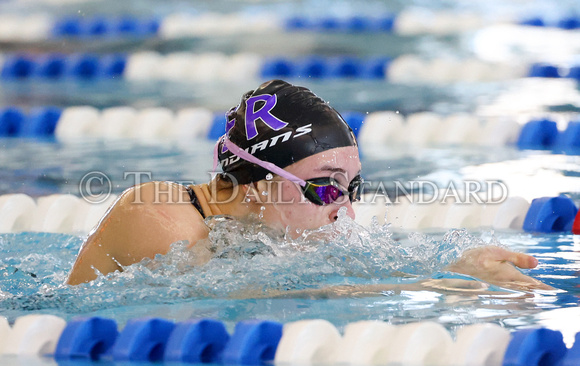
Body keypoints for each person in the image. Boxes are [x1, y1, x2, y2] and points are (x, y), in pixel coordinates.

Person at [66, 80, 549, 292]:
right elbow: (236, 298)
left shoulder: (251, 224)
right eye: (324, 187)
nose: (344, 209)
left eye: (351, 188)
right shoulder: (160, 215)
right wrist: (444, 283)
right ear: (257, 184)